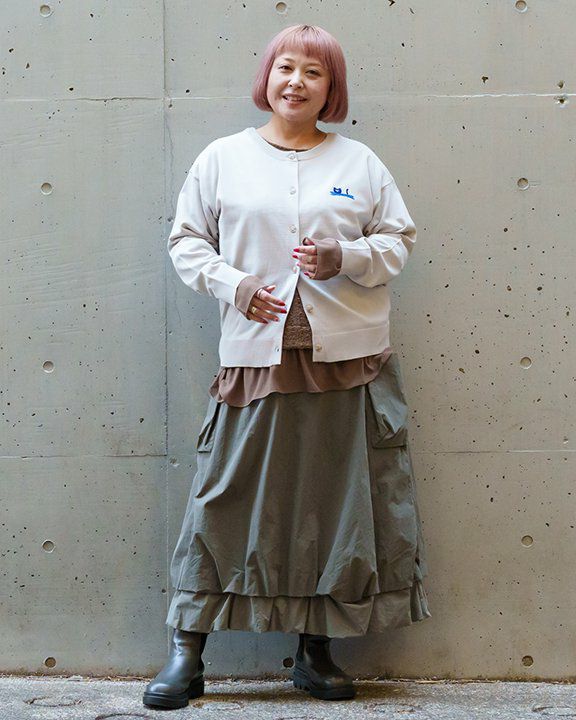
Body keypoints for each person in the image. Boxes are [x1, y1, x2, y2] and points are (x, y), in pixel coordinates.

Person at [143, 23, 431, 711]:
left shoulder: (359, 163)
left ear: (332, 88)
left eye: (314, 72)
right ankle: (187, 649)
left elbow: (398, 241)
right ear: (267, 77)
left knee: (334, 507)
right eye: (286, 67)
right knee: (222, 499)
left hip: (348, 364)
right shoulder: (222, 159)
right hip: (256, 360)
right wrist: (235, 284)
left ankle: (315, 650)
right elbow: (186, 241)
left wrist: (346, 258)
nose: (297, 82)